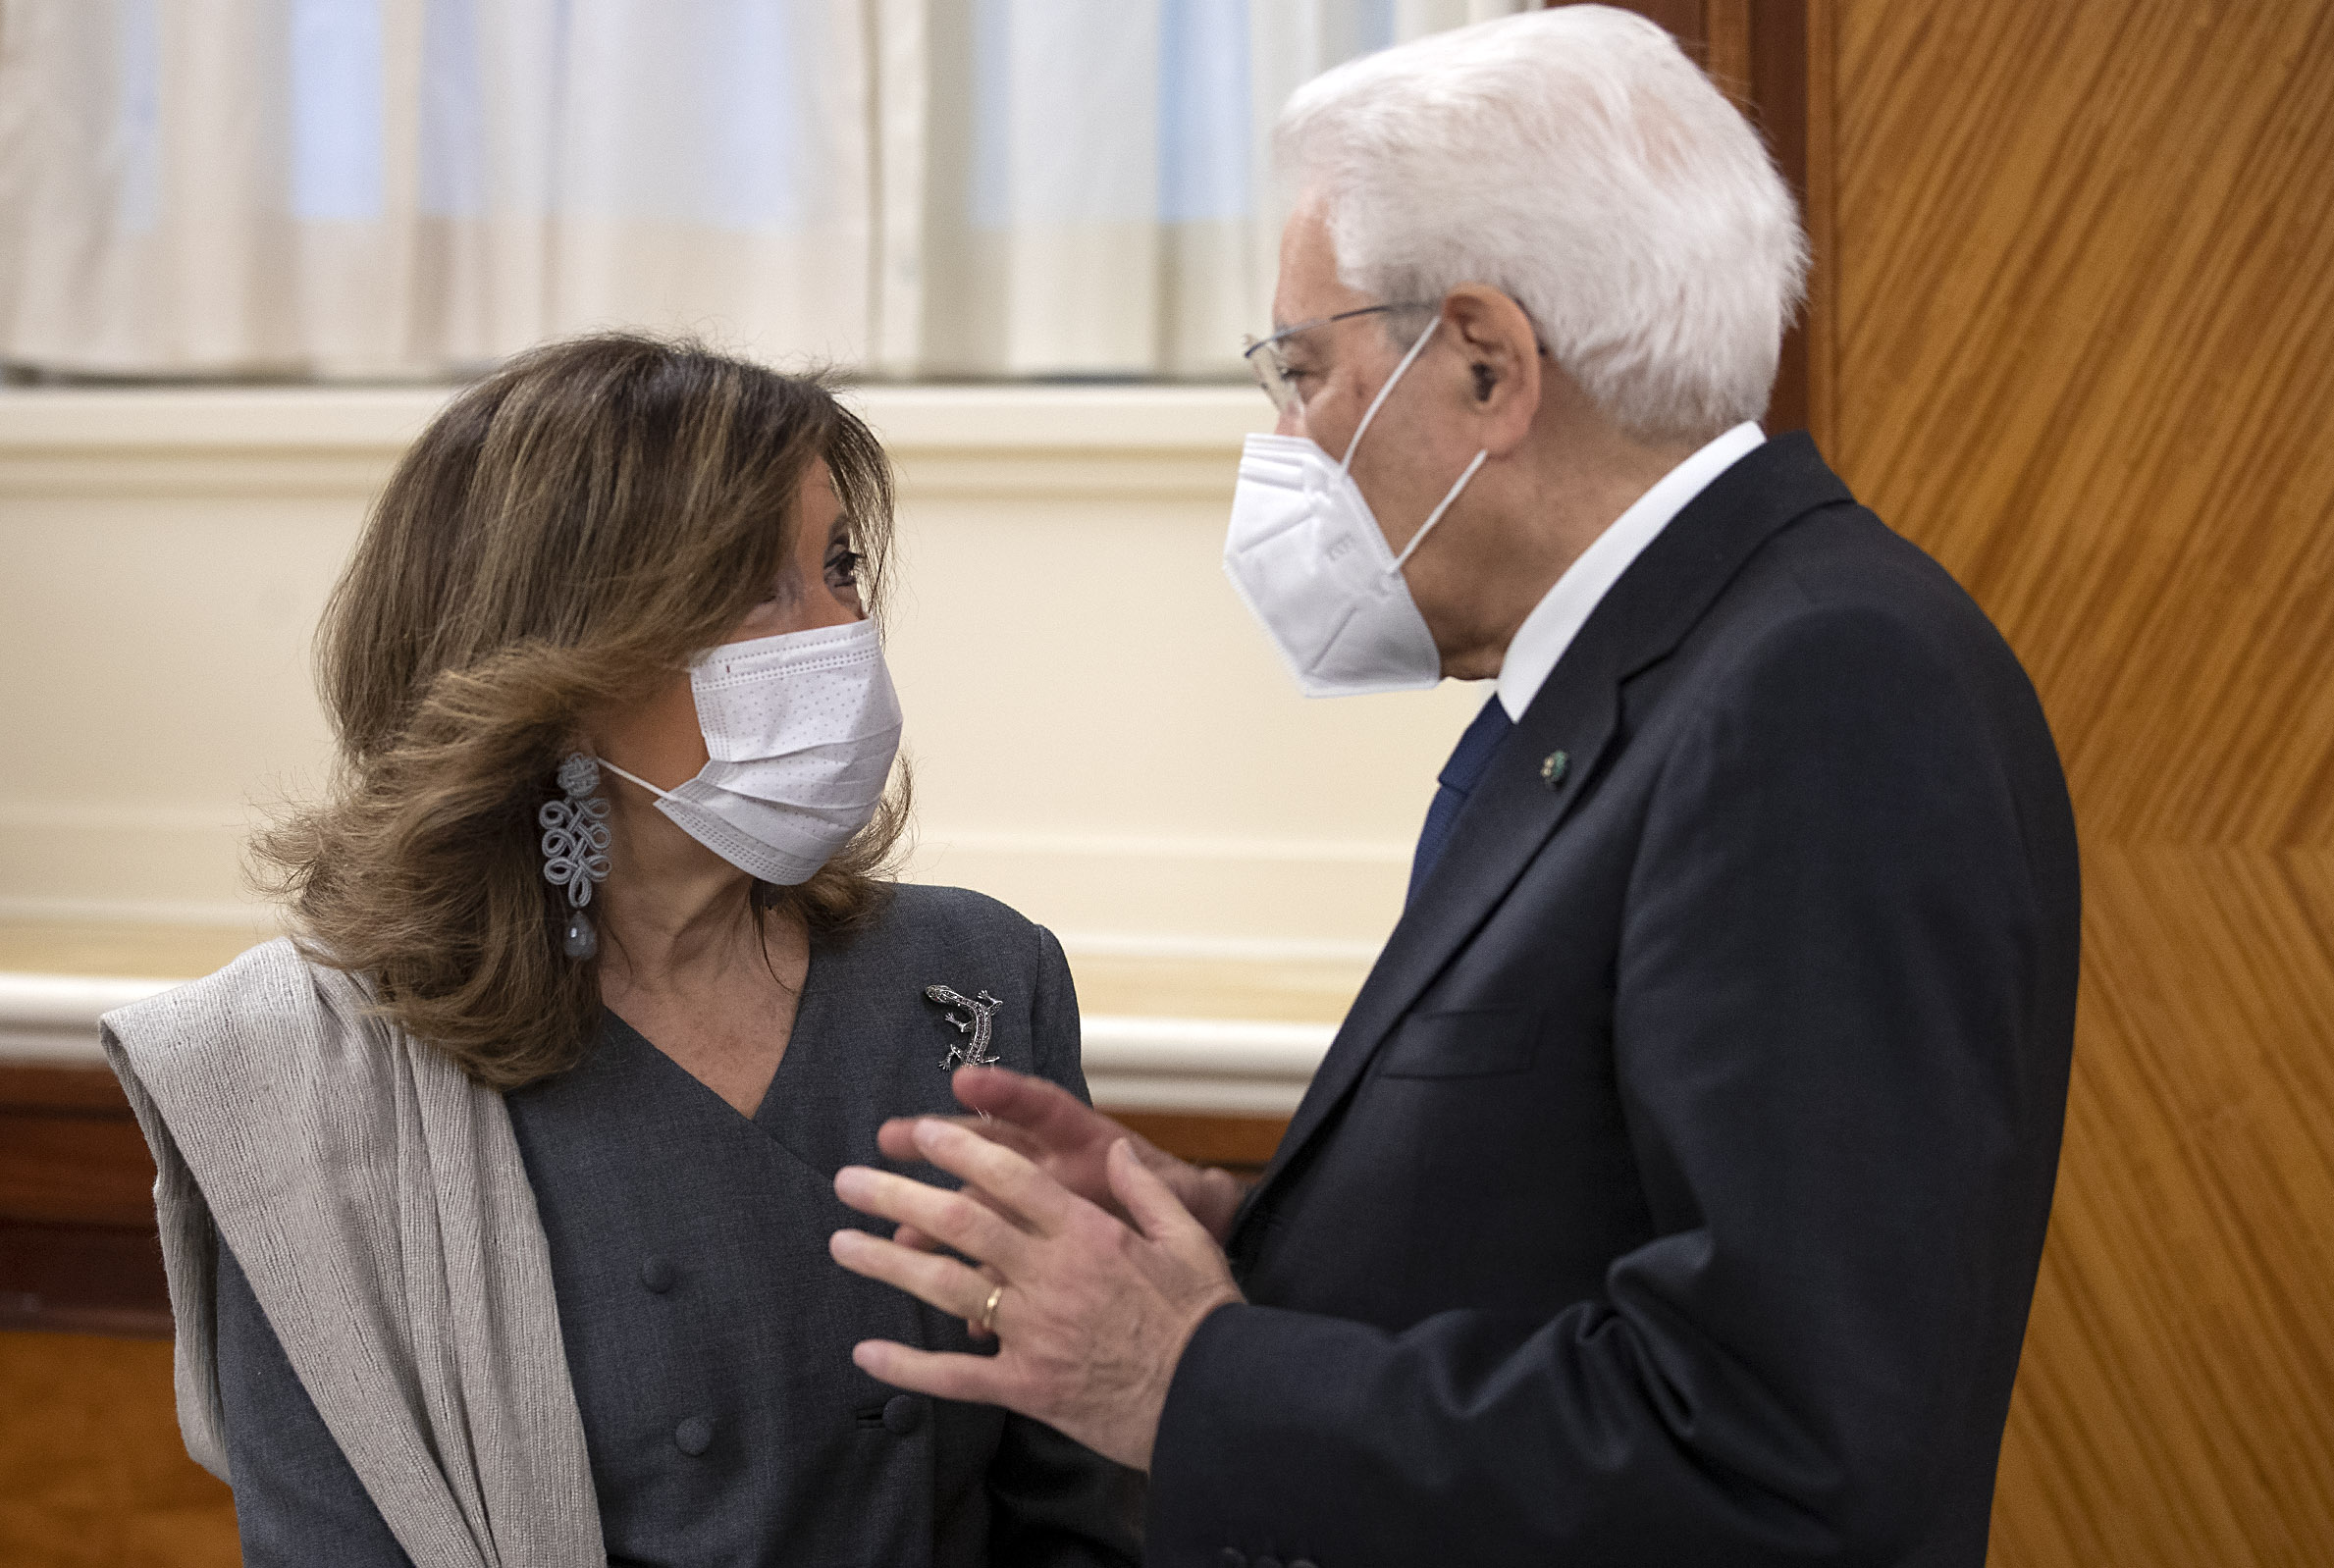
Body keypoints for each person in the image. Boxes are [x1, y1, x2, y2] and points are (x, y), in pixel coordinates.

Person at [826, 9, 2081, 1566]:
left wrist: (1185, 1375)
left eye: (1302, 367)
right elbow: (1575, 1217)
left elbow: (1781, 1453)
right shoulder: (1660, 666)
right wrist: (1232, 1238)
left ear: (1486, 364)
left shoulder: (1818, 690)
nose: (1285, 438)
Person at [101, 334, 1140, 1568]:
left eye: (841, 565)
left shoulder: (978, 976)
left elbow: (1084, 1499)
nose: (842, 631)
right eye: (763, 585)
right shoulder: (300, 1076)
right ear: (558, 660)